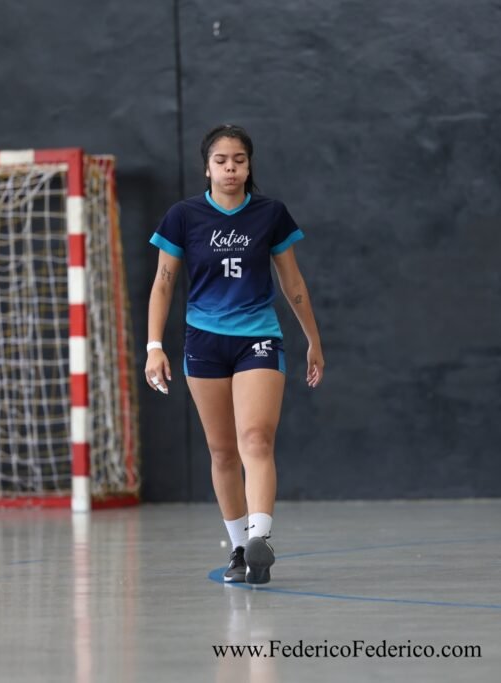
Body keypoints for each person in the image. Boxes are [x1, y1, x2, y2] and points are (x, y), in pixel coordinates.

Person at [146, 124, 324, 584]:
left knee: (256, 439)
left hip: (257, 338)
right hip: (203, 342)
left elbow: (292, 281)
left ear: (249, 166)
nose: (231, 168)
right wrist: (154, 346)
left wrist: (313, 339)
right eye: (221, 161)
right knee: (223, 452)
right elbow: (163, 283)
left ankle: (261, 538)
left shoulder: (270, 214)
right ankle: (240, 550)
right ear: (207, 167)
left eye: (239, 161)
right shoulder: (183, 216)